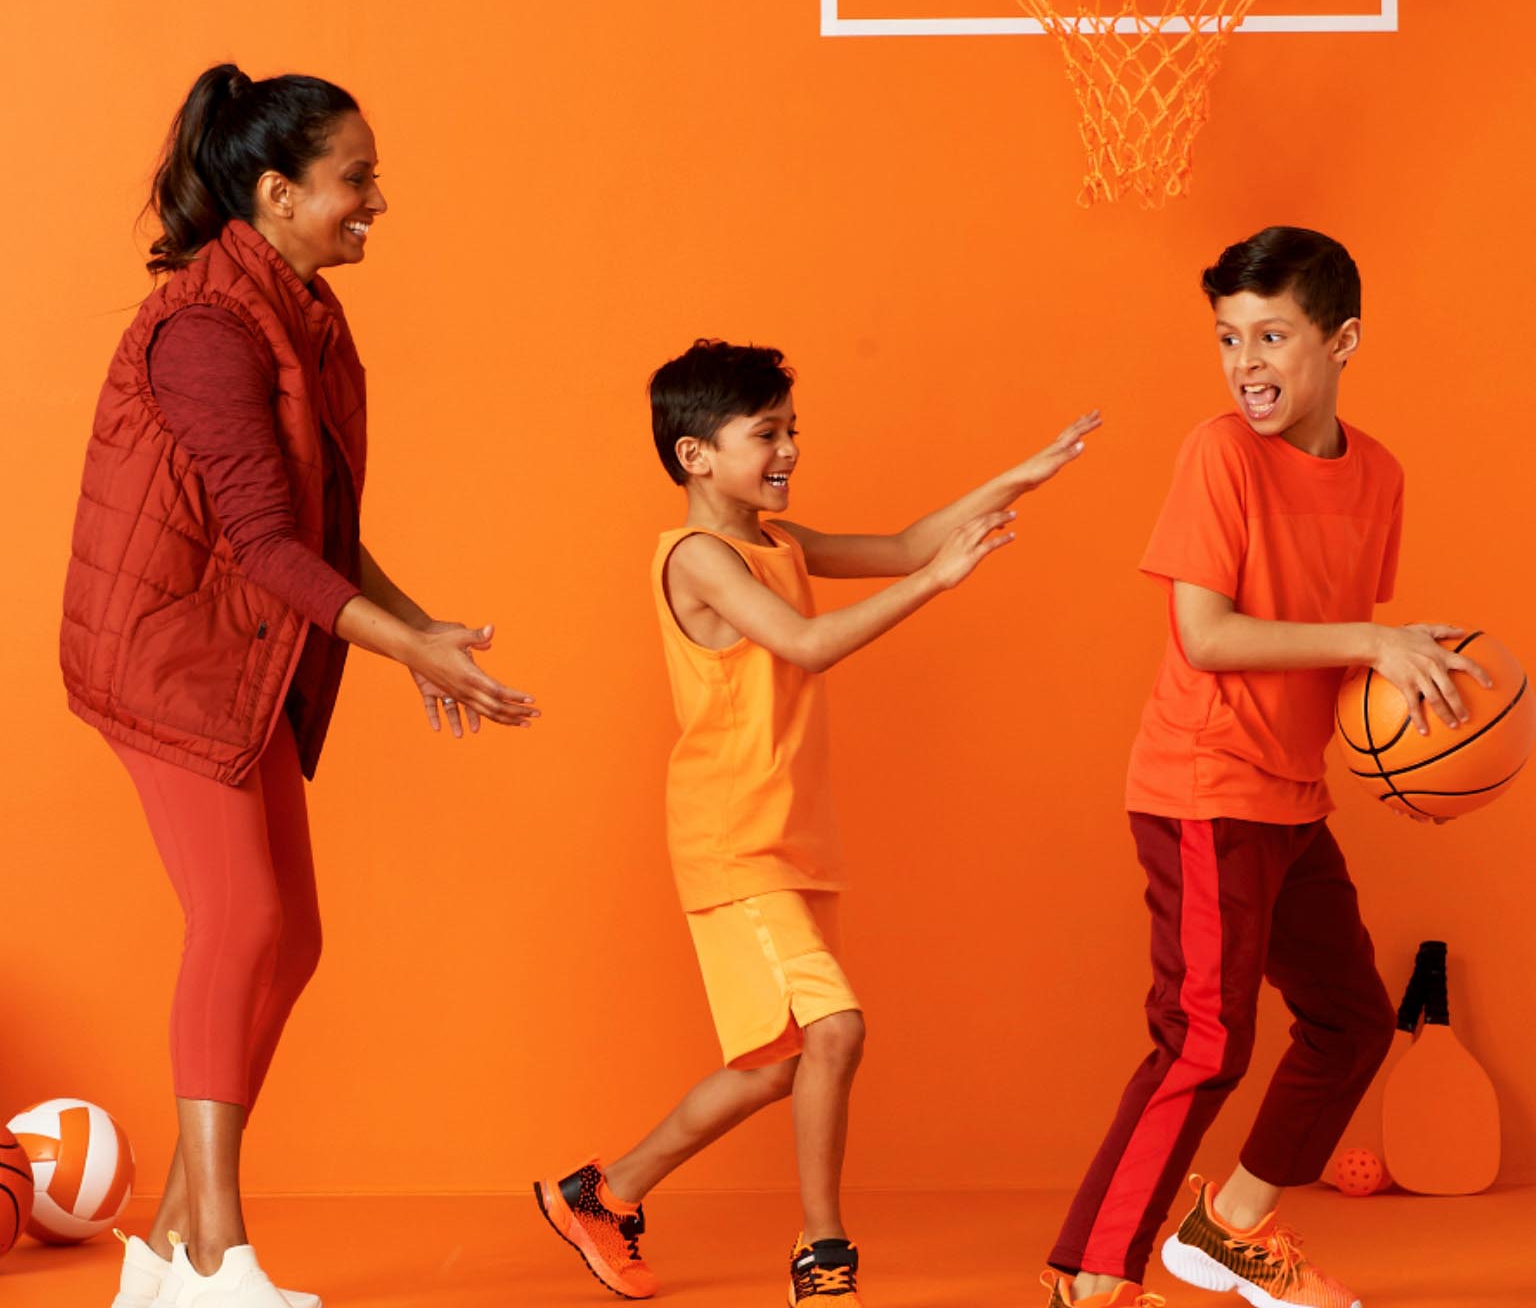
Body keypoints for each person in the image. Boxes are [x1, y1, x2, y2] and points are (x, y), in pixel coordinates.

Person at [60, 64, 537, 1308]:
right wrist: (403, 646)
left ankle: (165, 1249)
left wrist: (421, 623)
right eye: (357, 179)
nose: (378, 199)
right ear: (278, 193)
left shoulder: (300, 310)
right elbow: (267, 545)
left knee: (295, 934)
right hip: (168, 652)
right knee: (244, 922)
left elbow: (307, 520)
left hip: (242, 648)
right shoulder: (210, 330)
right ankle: (217, 1255)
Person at [534, 337, 1100, 1305]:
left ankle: (602, 1193)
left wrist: (1022, 476)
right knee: (834, 1031)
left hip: (791, 841)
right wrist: (936, 585)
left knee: (775, 1063)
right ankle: (823, 1251)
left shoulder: (777, 542)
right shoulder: (701, 559)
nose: (791, 449)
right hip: (732, 839)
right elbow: (806, 642)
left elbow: (910, 540)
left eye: (794, 430)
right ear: (695, 456)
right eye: (767, 434)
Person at [1041, 227, 1492, 1308]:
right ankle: (1091, 1277)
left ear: (1342, 341)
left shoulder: (1377, 475)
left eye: (1272, 335)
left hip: (1291, 798)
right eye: (1228, 337)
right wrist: (1368, 644)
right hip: (1201, 787)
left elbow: (1327, 645)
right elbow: (1211, 634)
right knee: (1204, 1039)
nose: (1246, 362)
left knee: (1351, 1022)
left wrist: (1414, 746)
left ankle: (1227, 1228)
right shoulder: (1218, 453)